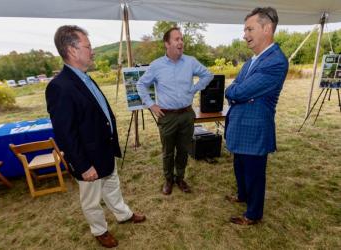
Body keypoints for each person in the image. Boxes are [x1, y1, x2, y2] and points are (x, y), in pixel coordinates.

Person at [45, 25, 145, 248]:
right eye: (88, 47)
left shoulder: (84, 78)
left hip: (104, 149)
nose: (92, 51)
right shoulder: (59, 87)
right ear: (72, 50)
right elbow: (65, 133)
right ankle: (99, 230)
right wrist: (82, 165)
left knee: (112, 185)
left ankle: (123, 214)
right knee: (91, 200)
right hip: (88, 159)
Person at [224, 7, 288, 225]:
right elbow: (235, 89)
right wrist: (237, 92)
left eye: (249, 29)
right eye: (244, 30)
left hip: (255, 129)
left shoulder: (275, 61)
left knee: (254, 173)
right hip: (241, 125)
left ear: (267, 28)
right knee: (240, 166)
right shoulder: (252, 60)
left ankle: (253, 214)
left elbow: (238, 91)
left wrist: (236, 93)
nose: (245, 35)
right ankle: (242, 196)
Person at [136, 27, 213, 195]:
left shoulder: (191, 61)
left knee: (184, 149)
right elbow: (141, 84)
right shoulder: (157, 65)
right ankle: (168, 180)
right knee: (168, 152)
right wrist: (151, 104)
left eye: (182, 39)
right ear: (167, 44)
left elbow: (208, 75)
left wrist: (194, 89)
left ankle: (180, 178)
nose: (181, 42)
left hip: (186, 114)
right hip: (167, 116)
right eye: (177, 39)